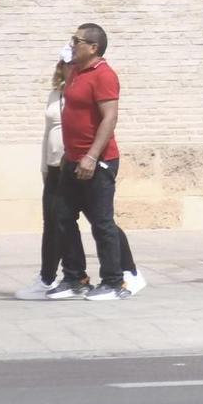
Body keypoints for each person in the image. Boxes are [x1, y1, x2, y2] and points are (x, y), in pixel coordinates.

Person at [54, 23, 140, 301]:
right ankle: (75, 277)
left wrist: (91, 156)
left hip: (98, 161)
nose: (72, 44)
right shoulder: (77, 71)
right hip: (73, 160)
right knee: (63, 218)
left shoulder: (104, 75)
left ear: (93, 47)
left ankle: (115, 282)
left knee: (102, 223)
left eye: (76, 41)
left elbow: (109, 118)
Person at [17, 52, 89, 299]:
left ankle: (122, 271)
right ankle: (49, 277)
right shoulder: (55, 95)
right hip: (54, 167)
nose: (68, 67)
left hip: (76, 166)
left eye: (72, 63)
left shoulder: (82, 94)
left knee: (99, 221)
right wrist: (44, 168)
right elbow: (48, 133)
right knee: (53, 222)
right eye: (65, 63)